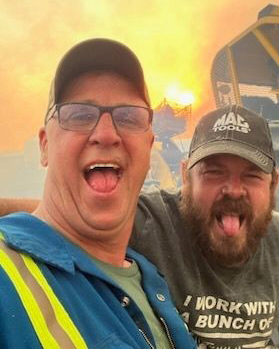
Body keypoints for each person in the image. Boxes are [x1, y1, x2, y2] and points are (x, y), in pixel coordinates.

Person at [0, 102, 279, 347]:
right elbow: (63, 215)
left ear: (272, 184)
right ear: (185, 177)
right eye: (213, 172)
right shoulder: (151, 221)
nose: (233, 189)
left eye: (251, 175)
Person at [0, 38, 196, 349]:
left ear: (149, 146)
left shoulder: (150, 281)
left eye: (129, 117)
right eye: (79, 115)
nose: (106, 134)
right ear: (44, 145)